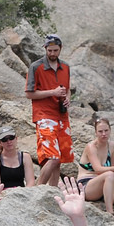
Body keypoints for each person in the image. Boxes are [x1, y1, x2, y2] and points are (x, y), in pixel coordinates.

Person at [25, 34, 72, 187]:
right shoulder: (36, 67)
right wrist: (52, 92)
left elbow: (68, 89)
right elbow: (29, 93)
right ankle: (37, 190)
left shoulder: (65, 67)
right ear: (45, 48)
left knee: (59, 159)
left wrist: (67, 98)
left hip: (61, 115)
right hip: (44, 115)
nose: (52, 54)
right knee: (52, 157)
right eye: (49, 50)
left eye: (55, 50)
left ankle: (52, 191)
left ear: (60, 49)